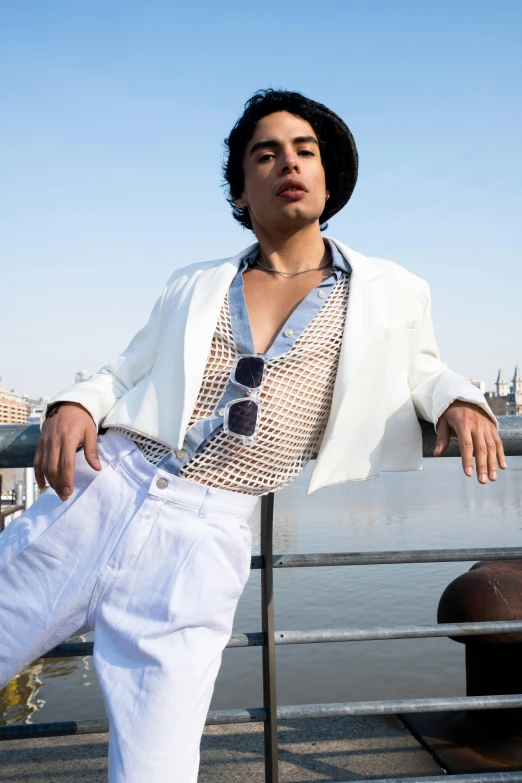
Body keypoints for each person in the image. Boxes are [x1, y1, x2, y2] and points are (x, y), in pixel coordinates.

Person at [0, 89, 506, 782]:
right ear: (242, 188)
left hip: (202, 541)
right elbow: (124, 370)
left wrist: (463, 401)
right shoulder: (194, 282)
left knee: (157, 767)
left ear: (329, 179)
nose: (287, 164)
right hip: (99, 490)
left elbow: (423, 367)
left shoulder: (391, 289)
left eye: (305, 150)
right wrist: (73, 404)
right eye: (265, 154)